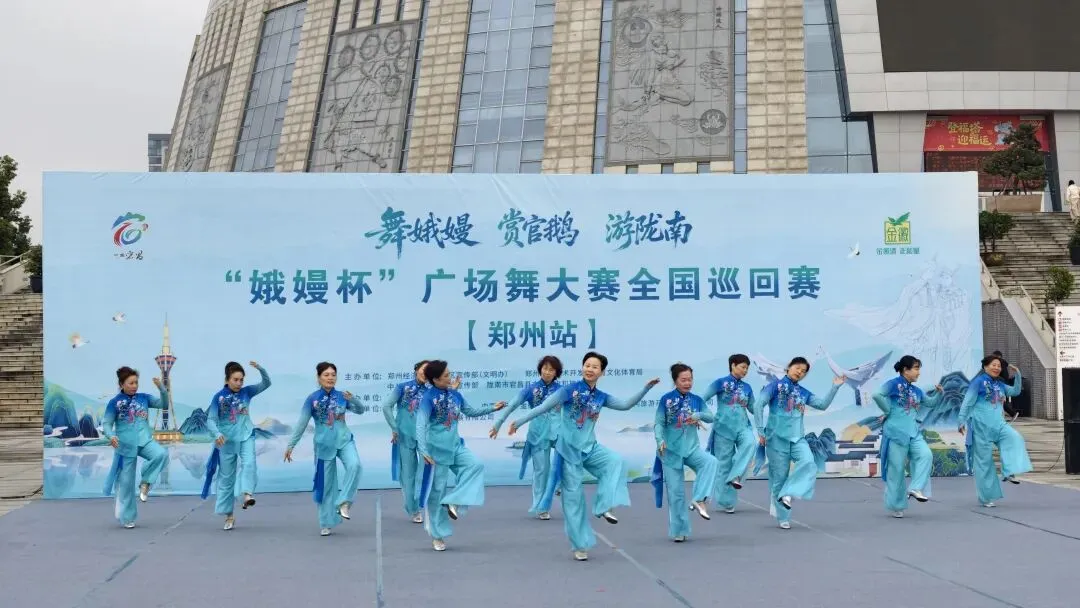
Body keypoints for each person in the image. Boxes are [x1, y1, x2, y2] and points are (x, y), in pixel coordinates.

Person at [509, 351, 660, 561]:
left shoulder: (601, 396)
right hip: (568, 452)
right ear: (582, 367)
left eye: (595, 367)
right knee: (574, 501)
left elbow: (625, 405)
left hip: (590, 448)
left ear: (602, 372)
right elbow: (543, 407)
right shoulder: (569, 390)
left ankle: (603, 506)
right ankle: (580, 545)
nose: (590, 369)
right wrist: (518, 422)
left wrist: (646, 388)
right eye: (587, 365)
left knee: (615, 461)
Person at [416, 360, 505, 551]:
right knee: (437, 493)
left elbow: (470, 411)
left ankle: (454, 501)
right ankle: (437, 535)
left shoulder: (455, 395)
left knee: (475, 465)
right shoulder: (428, 398)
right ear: (435, 379)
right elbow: (420, 425)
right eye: (446, 375)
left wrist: (493, 408)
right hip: (436, 452)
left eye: (449, 373)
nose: (450, 377)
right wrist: (423, 450)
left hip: (455, 446)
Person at [754, 356, 844, 529]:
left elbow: (822, 405)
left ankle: (788, 494)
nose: (800, 372)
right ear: (789, 367)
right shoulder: (774, 386)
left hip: (797, 438)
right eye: (797, 368)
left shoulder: (803, 392)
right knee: (780, 478)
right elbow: (758, 405)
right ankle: (783, 517)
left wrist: (835, 387)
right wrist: (760, 430)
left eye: (803, 371)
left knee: (809, 463)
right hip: (776, 439)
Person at [284, 362, 366, 536]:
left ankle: (344, 502)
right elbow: (302, 423)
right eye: (326, 375)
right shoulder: (312, 399)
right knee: (326, 485)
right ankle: (326, 522)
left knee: (355, 465)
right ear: (319, 377)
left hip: (344, 440)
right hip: (324, 446)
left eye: (333, 375)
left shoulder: (342, 396)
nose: (330, 378)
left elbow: (360, 410)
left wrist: (353, 399)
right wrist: (291, 445)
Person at [489, 355, 564, 520]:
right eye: (545, 368)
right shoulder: (531, 389)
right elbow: (513, 404)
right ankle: (541, 506)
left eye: (551, 370)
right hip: (538, 433)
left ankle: (558, 485)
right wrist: (498, 423)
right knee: (541, 471)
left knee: (569, 460)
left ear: (556, 373)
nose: (547, 372)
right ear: (540, 370)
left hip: (559, 431)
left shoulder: (562, 390)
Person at [651, 363, 718, 542]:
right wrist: (660, 440)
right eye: (683, 380)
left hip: (691, 448)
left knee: (711, 462)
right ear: (675, 381)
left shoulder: (696, 400)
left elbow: (710, 417)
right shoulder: (666, 400)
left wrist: (697, 415)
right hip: (670, 451)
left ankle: (699, 498)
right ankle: (679, 530)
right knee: (676, 493)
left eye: (690, 379)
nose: (687, 383)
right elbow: (659, 423)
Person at [201, 360, 271, 531]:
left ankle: (247, 494)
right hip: (226, 440)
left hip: (246, 435)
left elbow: (266, 383)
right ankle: (229, 516)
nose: (239, 383)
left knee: (249, 464)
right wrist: (217, 434)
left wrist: (260, 369)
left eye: (241, 380)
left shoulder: (247, 392)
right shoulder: (218, 397)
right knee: (227, 478)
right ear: (227, 380)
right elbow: (211, 420)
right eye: (235, 380)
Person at [872, 355, 943, 518]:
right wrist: (888, 410)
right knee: (896, 470)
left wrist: (938, 393)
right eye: (916, 368)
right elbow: (876, 395)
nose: (919, 372)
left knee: (926, 455)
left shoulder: (916, 390)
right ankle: (897, 505)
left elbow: (930, 403)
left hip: (913, 433)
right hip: (896, 433)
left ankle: (915, 488)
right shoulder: (893, 384)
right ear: (905, 369)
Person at [101, 366, 171, 529]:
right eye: (131, 383)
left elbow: (164, 404)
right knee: (126, 484)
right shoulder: (114, 403)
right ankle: (127, 517)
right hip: (125, 446)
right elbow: (107, 423)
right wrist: (111, 436)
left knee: (161, 454)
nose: (134, 386)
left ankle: (145, 483)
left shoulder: (144, 398)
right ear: (121, 384)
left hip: (144, 441)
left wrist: (162, 388)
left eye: (136, 383)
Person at [958, 354, 1032, 507]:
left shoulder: (1000, 384)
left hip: (999, 425)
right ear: (985, 366)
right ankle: (986, 497)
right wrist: (961, 420)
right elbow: (967, 403)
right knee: (984, 464)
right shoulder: (977, 383)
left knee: (1015, 438)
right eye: (993, 365)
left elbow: (1015, 391)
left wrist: (1017, 375)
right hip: (981, 427)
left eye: (999, 366)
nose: (997, 368)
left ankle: (1009, 471)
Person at [699, 353, 757, 514]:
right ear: (733, 365)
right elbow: (702, 399)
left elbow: (753, 408)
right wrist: (704, 415)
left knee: (750, 443)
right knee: (723, 464)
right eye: (743, 367)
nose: (745, 371)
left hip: (743, 426)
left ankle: (736, 475)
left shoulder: (747, 388)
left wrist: (762, 403)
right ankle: (727, 501)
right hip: (723, 428)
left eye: (747, 368)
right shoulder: (720, 383)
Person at [383, 359, 430, 524]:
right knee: (408, 475)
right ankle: (413, 509)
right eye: (423, 369)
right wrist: (395, 428)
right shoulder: (402, 387)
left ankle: (420, 502)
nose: (425, 373)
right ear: (416, 370)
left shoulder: (431, 392)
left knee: (423, 473)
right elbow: (386, 406)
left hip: (425, 437)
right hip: (404, 435)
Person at [991, 350, 1018, 419]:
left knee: (999, 400)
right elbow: (1008, 365)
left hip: (1001, 384)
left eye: (993, 356)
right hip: (1004, 384)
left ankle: (1012, 413)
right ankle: (1010, 414)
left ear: (998, 356)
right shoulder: (1003, 362)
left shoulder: (998, 363)